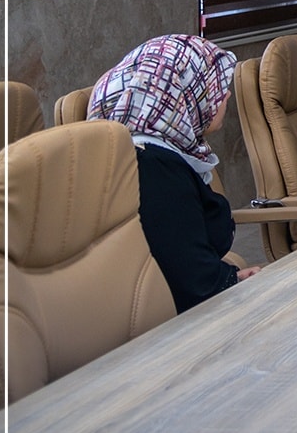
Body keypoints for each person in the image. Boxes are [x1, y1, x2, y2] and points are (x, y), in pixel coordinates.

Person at [88, 34, 258, 313]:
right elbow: (192, 284)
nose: (226, 95)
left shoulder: (155, 151)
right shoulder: (153, 168)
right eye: (213, 87)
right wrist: (229, 282)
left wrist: (230, 277)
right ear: (183, 94)